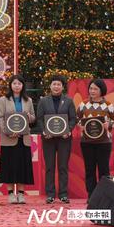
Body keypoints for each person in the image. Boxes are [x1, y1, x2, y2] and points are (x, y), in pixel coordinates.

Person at [77, 78, 114, 202]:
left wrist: (110, 125)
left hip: (104, 143)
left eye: (95, 88)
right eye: (91, 88)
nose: (92, 91)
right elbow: (76, 118)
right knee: (89, 170)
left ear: (102, 90)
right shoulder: (83, 104)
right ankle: (91, 196)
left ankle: (104, 196)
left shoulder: (109, 105)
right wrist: (80, 125)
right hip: (86, 142)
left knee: (104, 170)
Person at [37, 74, 76, 204]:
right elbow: (40, 118)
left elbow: (73, 119)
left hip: (64, 139)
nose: (56, 86)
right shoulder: (43, 101)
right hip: (48, 139)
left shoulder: (69, 101)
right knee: (49, 167)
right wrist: (44, 131)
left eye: (59, 84)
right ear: (50, 86)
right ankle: (50, 194)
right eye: (54, 84)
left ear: (62, 87)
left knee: (63, 166)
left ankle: (63, 194)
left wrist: (69, 130)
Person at [0, 74, 36, 204]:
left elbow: (33, 119)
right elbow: (0, 117)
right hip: (9, 138)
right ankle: (10, 194)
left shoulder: (28, 100)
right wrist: (7, 131)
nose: (17, 86)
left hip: (23, 138)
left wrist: (29, 116)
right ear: (10, 85)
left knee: (22, 166)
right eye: (14, 83)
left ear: (23, 85)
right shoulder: (3, 100)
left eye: (19, 83)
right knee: (9, 166)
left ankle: (20, 194)